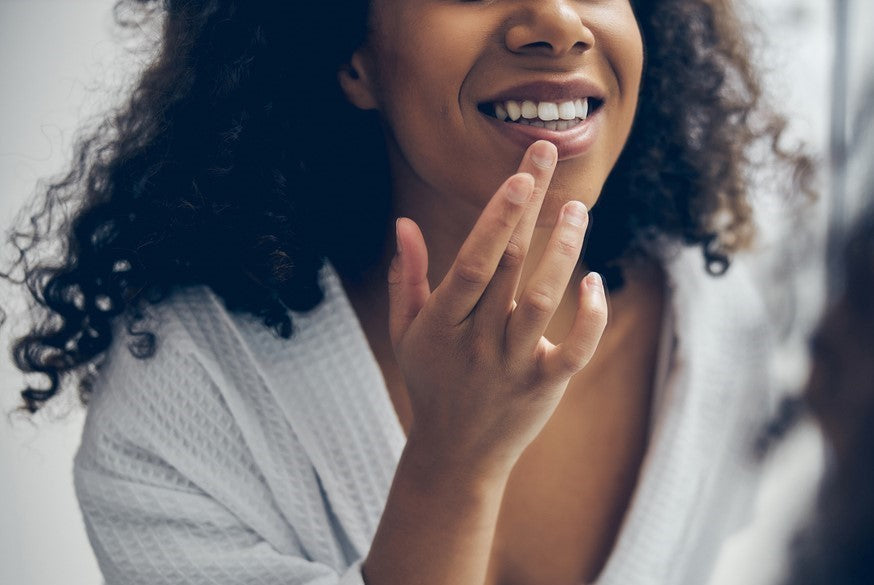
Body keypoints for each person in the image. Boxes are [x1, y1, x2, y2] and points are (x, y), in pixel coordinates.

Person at [0, 1, 812, 584]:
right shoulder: (182, 398)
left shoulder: (719, 330)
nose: (560, 20)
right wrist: (453, 462)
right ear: (352, 53)